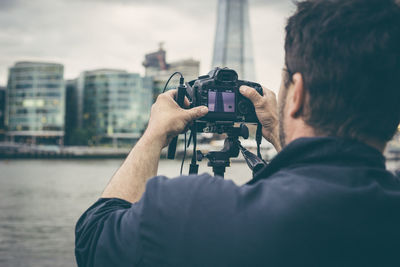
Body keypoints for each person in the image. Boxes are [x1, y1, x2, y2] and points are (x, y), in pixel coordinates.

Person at [75, 0, 400, 266]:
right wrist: (277, 132)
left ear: (297, 94)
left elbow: (94, 241)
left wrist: (154, 134)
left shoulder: (192, 210)